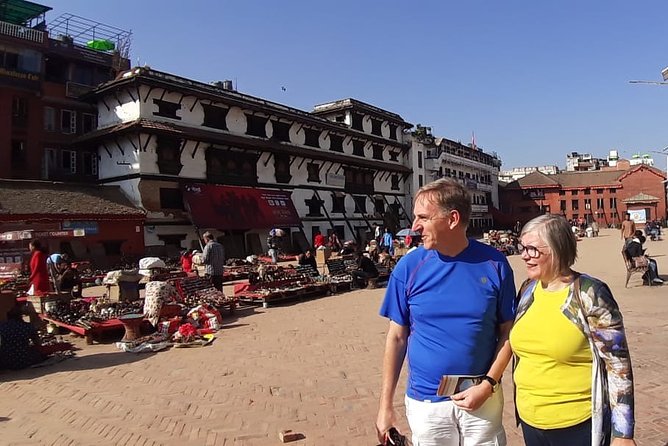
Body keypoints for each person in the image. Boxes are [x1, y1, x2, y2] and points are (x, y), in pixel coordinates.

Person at [376, 178, 516, 446]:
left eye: (423, 218)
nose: (415, 227)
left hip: (481, 398)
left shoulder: (494, 264)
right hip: (427, 403)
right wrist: (385, 407)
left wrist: (488, 384)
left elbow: (508, 331)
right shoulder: (409, 267)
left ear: (452, 219)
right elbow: (396, 338)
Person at [511, 214, 636, 446]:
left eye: (532, 249)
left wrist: (623, 432)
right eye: (522, 247)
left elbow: (618, 366)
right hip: (531, 420)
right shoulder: (528, 290)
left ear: (557, 249)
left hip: (577, 423)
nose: (524, 255)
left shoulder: (590, 293)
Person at [0, 306, 46, 370]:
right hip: (24, 359)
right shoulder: (27, 326)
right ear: (21, 316)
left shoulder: (2, 326)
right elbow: (37, 343)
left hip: (5, 361)